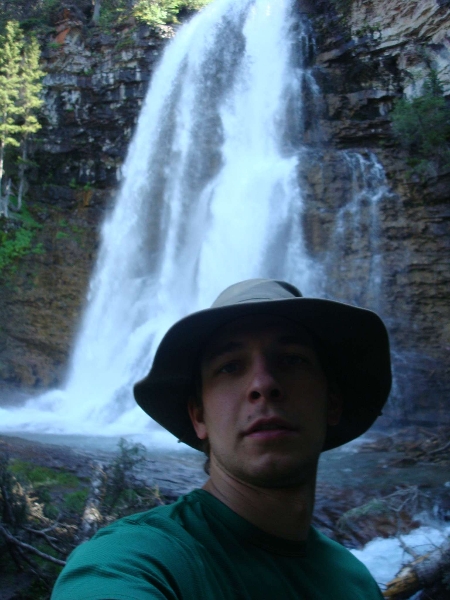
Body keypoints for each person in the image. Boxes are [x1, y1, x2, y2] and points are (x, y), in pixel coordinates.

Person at [52, 279, 392, 599]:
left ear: (332, 403)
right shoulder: (132, 558)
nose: (263, 384)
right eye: (230, 366)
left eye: (291, 359)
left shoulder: (356, 582)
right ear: (199, 416)